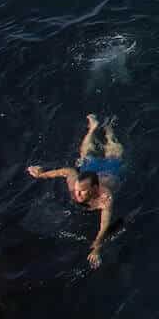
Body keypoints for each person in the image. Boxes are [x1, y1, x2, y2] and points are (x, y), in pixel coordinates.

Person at [24, 113, 121, 268]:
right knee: (85, 154)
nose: (77, 194)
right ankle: (92, 129)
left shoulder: (105, 198)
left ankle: (109, 130)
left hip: (110, 171)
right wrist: (41, 174)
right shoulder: (76, 184)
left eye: (82, 192)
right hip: (90, 170)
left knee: (113, 153)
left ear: (94, 190)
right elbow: (67, 171)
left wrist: (97, 248)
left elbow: (104, 225)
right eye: (76, 190)